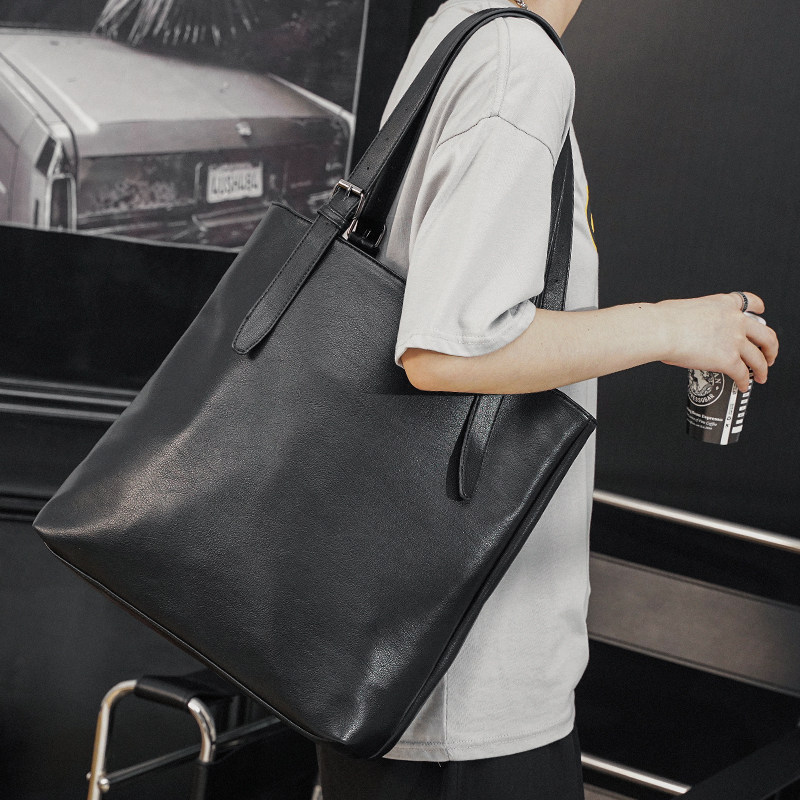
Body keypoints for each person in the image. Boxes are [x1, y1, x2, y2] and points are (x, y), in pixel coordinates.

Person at [315, 0, 780, 798]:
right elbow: (445, 348)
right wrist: (670, 327)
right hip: (465, 685)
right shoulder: (516, 62)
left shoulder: (461, 28)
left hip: (390, 650)